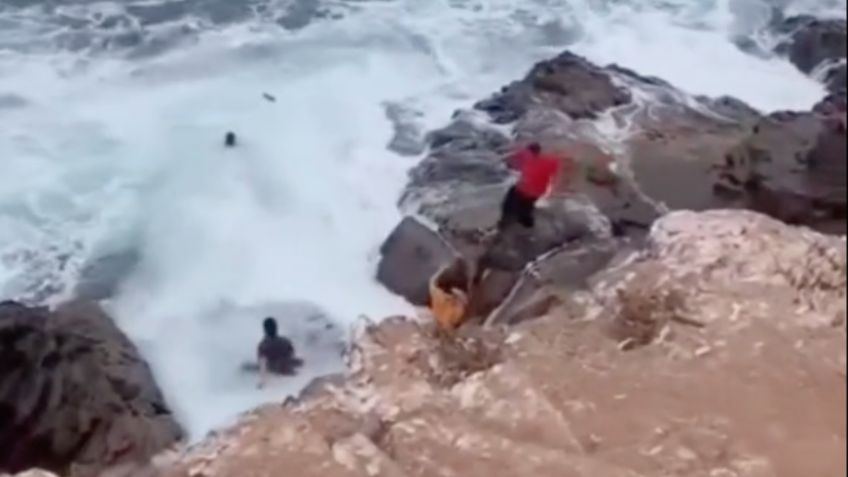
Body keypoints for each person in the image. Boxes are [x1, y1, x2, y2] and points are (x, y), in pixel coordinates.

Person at [497, 142, 565, 230]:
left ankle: (506, 226)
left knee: (509, 206)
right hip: (537, 192)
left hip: (523, 189)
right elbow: (556, 176)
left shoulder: (529, 158)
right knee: (525, 208)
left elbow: (513, 163)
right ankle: (527, 226)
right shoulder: (553, 162)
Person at [257, 317, 302, 388]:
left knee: (246, 367)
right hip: (288, 369)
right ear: (276, 328)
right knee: (300, 362)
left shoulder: (264, 345)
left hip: (275, 370)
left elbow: (263, 365)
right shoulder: (285, 341)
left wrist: (261, 383)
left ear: (265, 330)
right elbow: (291, 354)